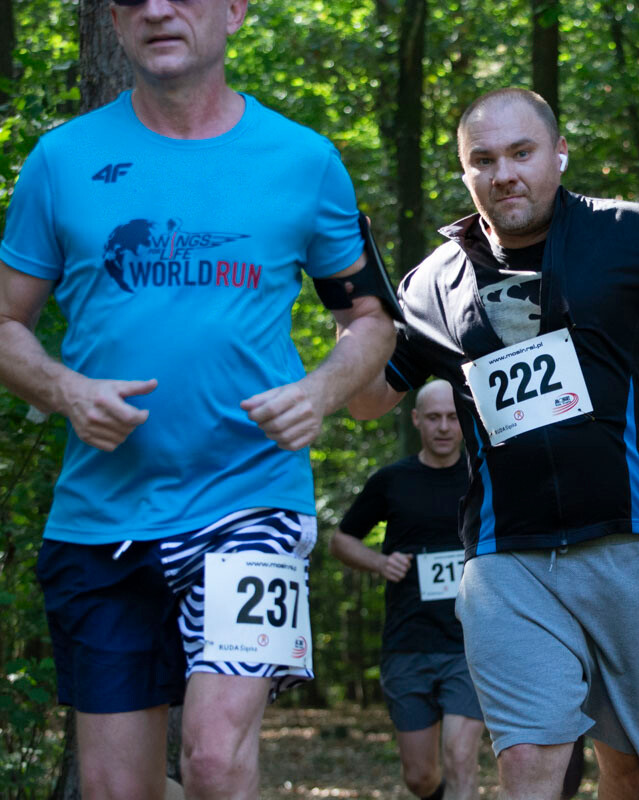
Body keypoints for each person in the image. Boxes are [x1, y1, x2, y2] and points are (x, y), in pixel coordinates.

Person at [348, 87, 639, 800]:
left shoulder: (634, 235)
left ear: (558, 153)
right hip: (505, 561)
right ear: (465, 174)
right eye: (482, 160)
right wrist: (359, 311)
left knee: (632, 770)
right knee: (528, 763)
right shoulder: (435, 281)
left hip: (633, 542)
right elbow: (371, 400)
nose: (504, 174)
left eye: (521, 153)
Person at [0, 1, 394, 797]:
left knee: (214, 760)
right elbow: (7, 321)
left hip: (252, 499)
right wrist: (65, 388)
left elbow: (371, 319)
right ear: (113, 22)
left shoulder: (304, 159)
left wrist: (321, 391)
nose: (157, 9)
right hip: (100, 519)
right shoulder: (61, 160)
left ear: (236, 12)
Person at [329, 380, 483, 800]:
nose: (444, 427)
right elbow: (340, 540)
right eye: (434, 417)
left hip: (469, 642)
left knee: (461, 758)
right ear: (416, 419)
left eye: (453, 417)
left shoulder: (482, 475)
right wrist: (380, 562)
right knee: (420, 776)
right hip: (408, 641)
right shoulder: (392, 481)